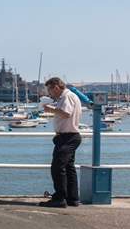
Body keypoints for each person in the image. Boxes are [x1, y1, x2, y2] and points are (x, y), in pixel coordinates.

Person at [41, 76, 82, 208]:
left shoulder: (66, 96)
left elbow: (66, 113)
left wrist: (49, 109)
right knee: (69, 168)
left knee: (57, 167)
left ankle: (59, 198)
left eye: (50, 90)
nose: (49, 93)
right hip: (69, 136)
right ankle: (72, 198)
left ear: (56, 87)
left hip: (67, 137)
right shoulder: (68, 97)